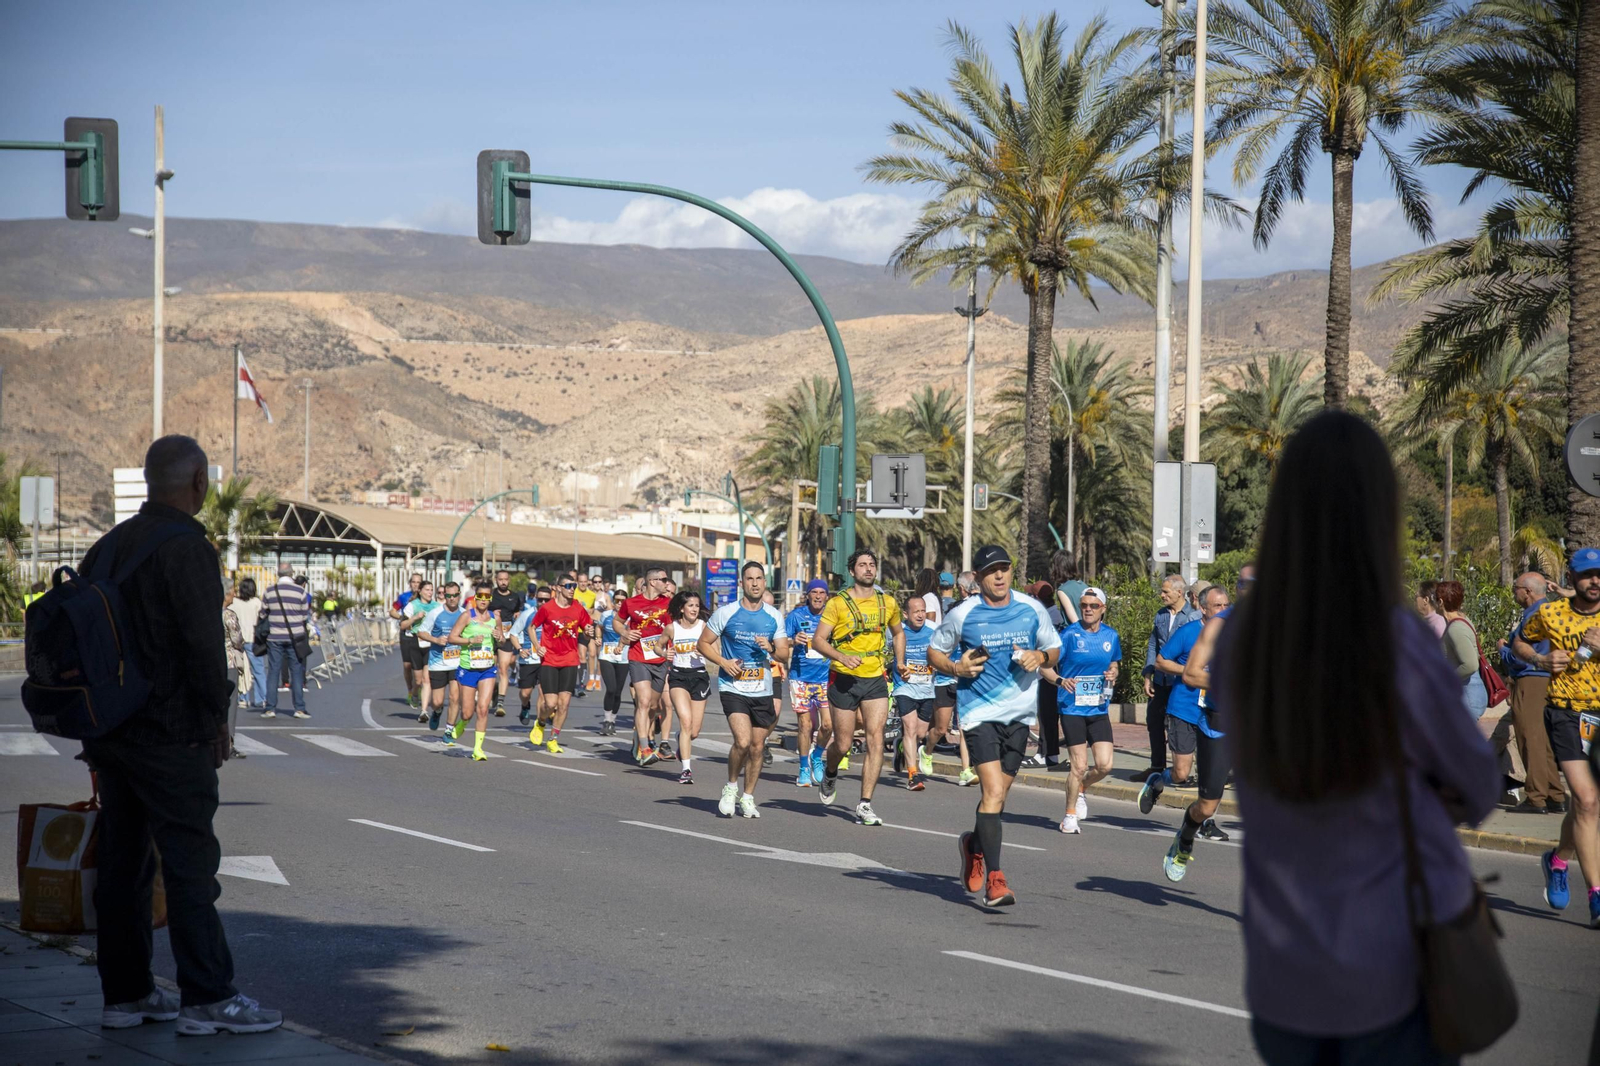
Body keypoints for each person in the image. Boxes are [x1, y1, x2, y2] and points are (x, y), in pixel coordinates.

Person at [1215, 410, 1498, 1063]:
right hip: (1390, 972)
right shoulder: (1394, 641)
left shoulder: (1241, 640)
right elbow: (1479, 785)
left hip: (1281, 977)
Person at [79, 434, 281, 1036]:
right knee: (191, 865)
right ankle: (207, 997)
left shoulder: (107, 548)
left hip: (111, 733)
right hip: (170, 734)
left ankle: (127, 994)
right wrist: (216, 718)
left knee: (124, 866)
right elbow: (200, 644)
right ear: (197, 483)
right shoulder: (187, 547)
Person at [929, 545, 1060, 907]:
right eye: (992, 571)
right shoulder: (963, 614)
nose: (1000, 575)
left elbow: (1054, 649)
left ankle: (973, 844)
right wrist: (955, 668)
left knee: (997, 796)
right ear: (978, 577)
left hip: (1019, 716)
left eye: (1004, 568)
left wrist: (1040, 656)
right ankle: (996, 880)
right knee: (992, 792)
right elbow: (934, 652)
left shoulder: (1031, 608)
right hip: (978, 713)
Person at [1512, 547, 1600, 928]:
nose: (1595, 581)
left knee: (1587, 808)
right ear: (1571, 577)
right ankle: (1597, 896)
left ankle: (1558, 859)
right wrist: (1541, 660)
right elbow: (1520, 642)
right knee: (1586, 798)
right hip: (1565, 712)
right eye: (1586, 574)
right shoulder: (1549, 612)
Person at [812, 549, 905, 826]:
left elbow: (899, 633)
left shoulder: (887, 602)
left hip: (875, 678)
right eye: (862, 565)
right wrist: (841, 657)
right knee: (842, 743)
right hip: (843, 679)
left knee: (875, 738)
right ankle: (830, 772)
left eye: (872, 564)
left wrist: (899, 662)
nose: (868, 569)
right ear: (852, 571)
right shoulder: (837, 604)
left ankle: (865, 803)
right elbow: (818, 640)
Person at [1139, 584, 1232, 838]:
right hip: (1184, 708)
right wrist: (1192, 671)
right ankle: (1158, 781)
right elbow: (1160, 661)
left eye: (1226, 605)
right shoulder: (1189, 632)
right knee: (1181, 772)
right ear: (1203, 608)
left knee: (1211, 774)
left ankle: (1207, 822)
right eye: (1217, 606)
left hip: (1212, 715)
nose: (1224, 610)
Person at [699, 562, 788, 817]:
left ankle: (748, 796)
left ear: (764, 582)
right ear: (742, 583)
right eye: (750, 579)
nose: (755, 583)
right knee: (743, 741)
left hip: (762, 688)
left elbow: (783, 653)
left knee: (758, 746)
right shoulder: (725, 613)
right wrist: (723, 662)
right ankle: (730, 787)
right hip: (733, 686)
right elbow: (703, 644)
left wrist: (770, 648)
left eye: (759, 578)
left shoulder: (773, 616)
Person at [1041, 586, 1119, 833]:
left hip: (1098, 708)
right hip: (1072, 708)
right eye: (1084, 605)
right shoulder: (1068, 636)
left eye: (1093, 606)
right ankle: (1069, 815)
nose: (1087, 609)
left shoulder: (1111, 636)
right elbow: (1044, 667)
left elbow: (1114, 663)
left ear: (1103, 609)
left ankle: (1082, 788)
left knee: (1105, 765)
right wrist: (1060, 680)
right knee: (1079, 766)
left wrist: (1113, 672)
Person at [1499, 572, 1566, 814]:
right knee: (1543, 739)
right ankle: (1553, 793)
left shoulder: (1536, 614)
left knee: (1530, 738)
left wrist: (1503, 651)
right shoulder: (1550, 610)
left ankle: (1537, 796)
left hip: (1531, 679)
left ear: (1527, 591)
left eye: (1516, 587)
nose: (1514, 592)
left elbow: (1522, 654)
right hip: (1546, 679)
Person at [1140, 574, 1197, 781]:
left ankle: (1181, 772)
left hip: (1181, 683)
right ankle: (1156, 766)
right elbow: (1153, 644)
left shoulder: (1192, 617)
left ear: (1179, 593)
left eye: (1165, 591)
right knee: (1153, 720)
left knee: (1178, 727)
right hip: (1160, 680)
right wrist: (1148, 674)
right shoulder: (1161, 615)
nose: (1161, 595)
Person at [527, 571, 591, 754]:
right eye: (569, 587)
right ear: (558, 588)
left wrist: (589, 632)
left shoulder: (578, 608)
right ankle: (540, 723)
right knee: (550, 703)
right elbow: (532, 627)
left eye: (574, 587)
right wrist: (537, 645)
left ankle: (554, 738)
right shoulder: (547, 608)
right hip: (549, 659)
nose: (572, 590)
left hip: (570, 659)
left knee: (564, 704)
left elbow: (586, 629)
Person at [616, 567, 673, 765]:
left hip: (660, 659)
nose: (667, 583)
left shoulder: (669, 604)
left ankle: (638, 738)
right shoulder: (631, 603)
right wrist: (624, 633)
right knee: (644, 701)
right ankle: (645, 747)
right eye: (664, 579)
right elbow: (617, 621)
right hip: (638, 657)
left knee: (654, 706)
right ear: (652, 582)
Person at [446, 582, 504, 762]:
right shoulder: (466, 616)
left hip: (487, 668)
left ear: (490, 598)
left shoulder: (495, 618)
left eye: (487, 596)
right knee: (467, 712)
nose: (483, 600)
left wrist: (499, 637)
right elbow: (452, 637)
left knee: (483, 709)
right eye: (480, 596)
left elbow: (501, 641)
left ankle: (478, 749)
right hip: (468, 668)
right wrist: (470, 640)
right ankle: (462, 723)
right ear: (475, 597)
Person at [785, 579, 833, 787]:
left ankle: (817, 756)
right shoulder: (796, 616)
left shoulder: (832, 617)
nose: (818, 596)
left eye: (822, 592)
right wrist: (793, 640)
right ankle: (804, 767)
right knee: (805, 724)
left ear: (827, 596)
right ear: (808, 595)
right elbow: (781, 641)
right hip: (800, 677)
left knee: (828, 725)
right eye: (814, 592)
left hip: (825, 677)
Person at [666, 590, 710, 783]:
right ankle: (686, 770)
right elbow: (659, 645)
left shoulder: (704, 627)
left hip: (699, 676)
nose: (694, 609)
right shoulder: (672, 628)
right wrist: (664, 653)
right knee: (685, 721)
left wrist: (703, 650)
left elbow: (714, 652)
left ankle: (680, 738)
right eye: (690, 605)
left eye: (697, 606)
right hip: (678, 676)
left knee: (693, 731)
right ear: (682, 608)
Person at [894, 593, 938, 791]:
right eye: (916, 611)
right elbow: (885, 652)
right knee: (910, 727)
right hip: (904, 686)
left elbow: (943, 653)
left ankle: (902, 745)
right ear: (905, 614)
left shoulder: (933, 630)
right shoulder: (896, 632)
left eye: (923, 611)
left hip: (927, 688)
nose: (920, 615)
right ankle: (913, 774)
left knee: (920, 732)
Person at [260, 563, 312, 720]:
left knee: (273, 671)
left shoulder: (269, 591)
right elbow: (304, 616)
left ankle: (270, 708)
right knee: (296, 672)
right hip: (295, 638)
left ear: (278, 574)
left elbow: (263, 614)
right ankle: (299, 709)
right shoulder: (300, 591)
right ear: (291, 573)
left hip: (274, 637)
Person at [1023, 580, 1062, 769]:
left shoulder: (1048, 618)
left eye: (1032, 596)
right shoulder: (1056, 615)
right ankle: (1050, 754)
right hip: (1052, 671)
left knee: (1047, 714)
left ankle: (1045, 754)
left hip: (1049, 672)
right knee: (1048, 714)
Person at [1437, 580, 1490, 720]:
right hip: (1467, 693)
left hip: (1467, 696)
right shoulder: (1461, 620)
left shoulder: (1456, 628)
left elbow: (1471, 665)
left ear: (1441, 602)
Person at [420, 583, 464, 732]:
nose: (452, 599)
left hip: (458, 662)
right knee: (437, 702)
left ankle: (449, 729)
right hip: (438, 662)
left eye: (455, 595)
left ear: (459, 595)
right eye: (448, 596)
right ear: (444, 596)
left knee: (454, 698)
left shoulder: (465, 614)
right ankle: (437, 711)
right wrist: (436, 640)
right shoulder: (435, 613)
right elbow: (421, 632)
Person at [489, 570, 525, 717]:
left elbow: (517, 612)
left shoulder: (515, 597)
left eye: (505, 579)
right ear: (496, 580)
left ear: (508, 580)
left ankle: (500, 704)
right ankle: (494, 689)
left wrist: (517, 616)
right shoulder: (490, 595)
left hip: (507, 635)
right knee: (491, 667)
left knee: (503, 668)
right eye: (500, 579)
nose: (503, 582)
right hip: (491, 635)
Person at [400, 582, 437, 724]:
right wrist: (415, 617)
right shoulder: (412, 605)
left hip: (430, 643)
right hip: (415, 642)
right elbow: (402, 625)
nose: (430, 592)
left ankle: (424, 711)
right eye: (427, 590)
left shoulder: (436, 606)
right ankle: (414, 693)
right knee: (418, 680)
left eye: (431, 590)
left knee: (427, 680)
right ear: (420, 591)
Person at [595, 592, 629, 735]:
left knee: (618, 692)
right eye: (617, 600)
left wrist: (621, 645)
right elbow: (599, 627)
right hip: (606, 655)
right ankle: (607, 720)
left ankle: (613, 721)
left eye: (623, 601)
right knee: (611, 688)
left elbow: (632, 635)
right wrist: (597, 637)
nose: (620, 603)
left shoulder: (630, 618)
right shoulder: (606, 614)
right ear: (613, 601)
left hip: (623, 657)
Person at [231, 578, 265, 710]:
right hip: (253, 639)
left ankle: (243, 697)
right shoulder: (257, 602)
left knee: (241, 670)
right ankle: (261, 698)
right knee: (258, 670)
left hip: (238, 640)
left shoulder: (235, 602)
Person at [390, 572, 424, 706]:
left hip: (421, 634)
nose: (415, 584)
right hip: (406, 633)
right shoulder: (404, 597)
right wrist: (402, 618)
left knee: (420, 666)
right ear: (410, 583)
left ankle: (419, 687)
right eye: (413, 582)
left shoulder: (425, 597)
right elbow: (392, 611)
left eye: (418, 582)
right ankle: (410, 690)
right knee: (407, 665)